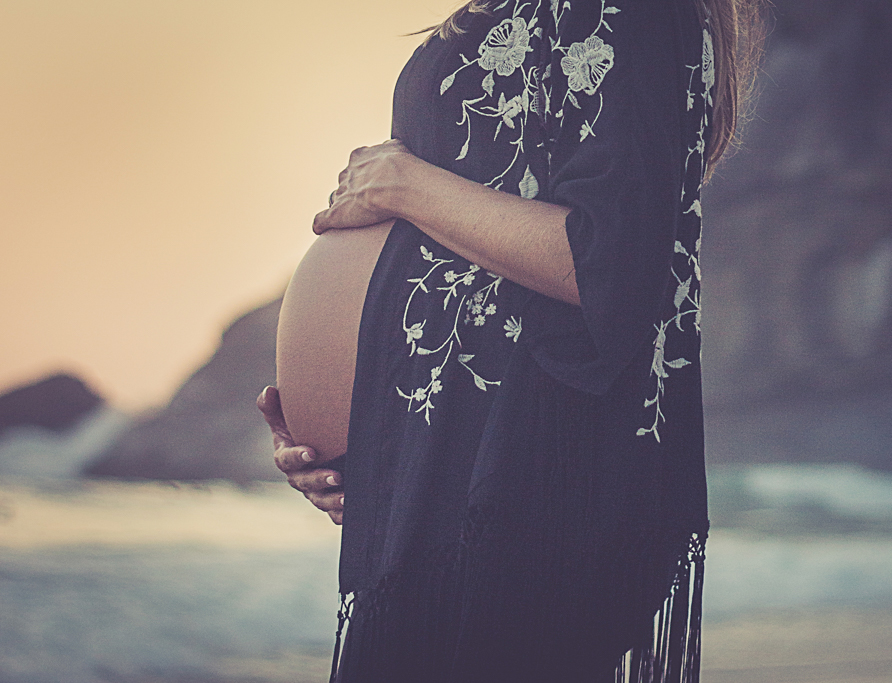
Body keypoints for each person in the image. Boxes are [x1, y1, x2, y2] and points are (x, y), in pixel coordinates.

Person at [257, 0, 763, 680]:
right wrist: (355, 438)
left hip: (521, 493)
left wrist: (403, 183)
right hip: (450, 489)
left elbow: (604, 264)